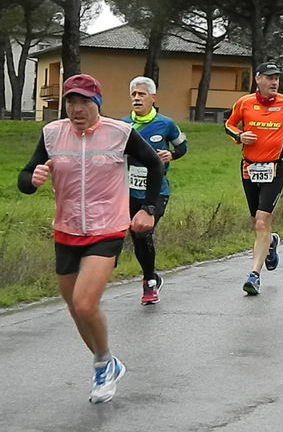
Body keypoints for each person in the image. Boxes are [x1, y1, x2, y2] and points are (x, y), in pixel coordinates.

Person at [17, 74, 164, 403]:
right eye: (71, 101)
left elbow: (155, 165)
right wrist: (33, 178)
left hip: (107, 229)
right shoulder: (52, 134)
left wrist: (148, 210)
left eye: (84, 101)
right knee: (75, 309)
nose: (76, 108)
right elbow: (25, 177)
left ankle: (100, 366)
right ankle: (108, 360)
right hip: (66, 229)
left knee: (85, 303)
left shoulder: (120, 133)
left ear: (96, 103)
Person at [225, 62, 283, 295]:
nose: (274, 82)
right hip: (249, 168)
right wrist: (240, 136)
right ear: (258, 79)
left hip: (274, 168)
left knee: (262, 221)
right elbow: (229, 124)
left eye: (277, 78)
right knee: (256, 222)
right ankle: (271, 244)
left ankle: (254, 275)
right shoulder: (245, 103)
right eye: (269, 78)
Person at [122, 76, 188, 305]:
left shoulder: (166, 124)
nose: (137, 98)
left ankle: (149, 282)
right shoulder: (122, 126)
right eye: (133, 94)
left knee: (142, 232)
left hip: (157, 191)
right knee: (135, 236)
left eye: (141, 94)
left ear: (153, 98)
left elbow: (182, 147)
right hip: (128, 191)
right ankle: (151, 275)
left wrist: (172, 155)